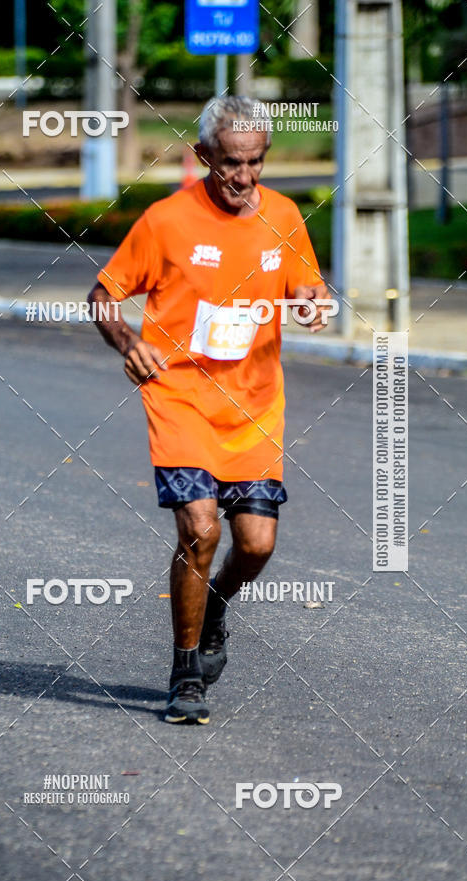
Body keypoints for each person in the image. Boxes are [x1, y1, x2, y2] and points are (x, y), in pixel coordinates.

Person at [88, 96, 331, 725]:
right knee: (200, 529)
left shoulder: (283, 215)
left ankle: (217, 604)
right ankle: (185, 671)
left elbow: (306, 284)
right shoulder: (166, 222)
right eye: (230, 163)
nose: (244, 177)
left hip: (253, 405)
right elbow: (103, 295)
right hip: (182, 399)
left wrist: (310, 300)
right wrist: (129, 341)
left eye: (255, 163)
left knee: (255, 546)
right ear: (202, 157)